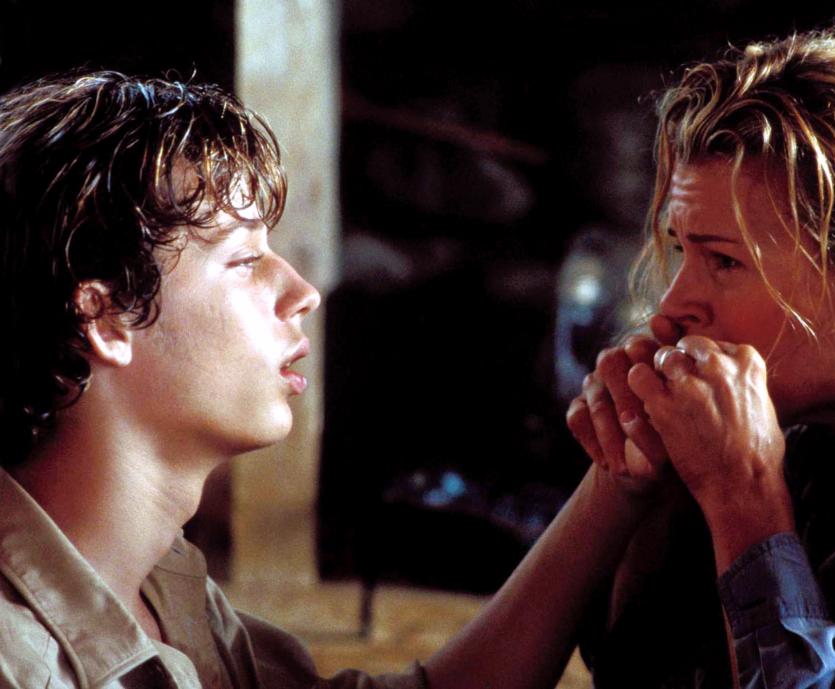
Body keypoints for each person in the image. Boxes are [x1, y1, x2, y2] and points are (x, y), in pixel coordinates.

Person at [0, 71, 652, 689]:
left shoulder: (161, 591)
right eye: (244, 260)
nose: (303, 293)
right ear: (107, 317)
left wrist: (613, 484)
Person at [567, 26, 835, 687]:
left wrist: (744, 498)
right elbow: (640, 670)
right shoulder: (817, 405)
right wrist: (653, 494)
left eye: (724, 261)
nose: (669, 311)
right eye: (682, 250)